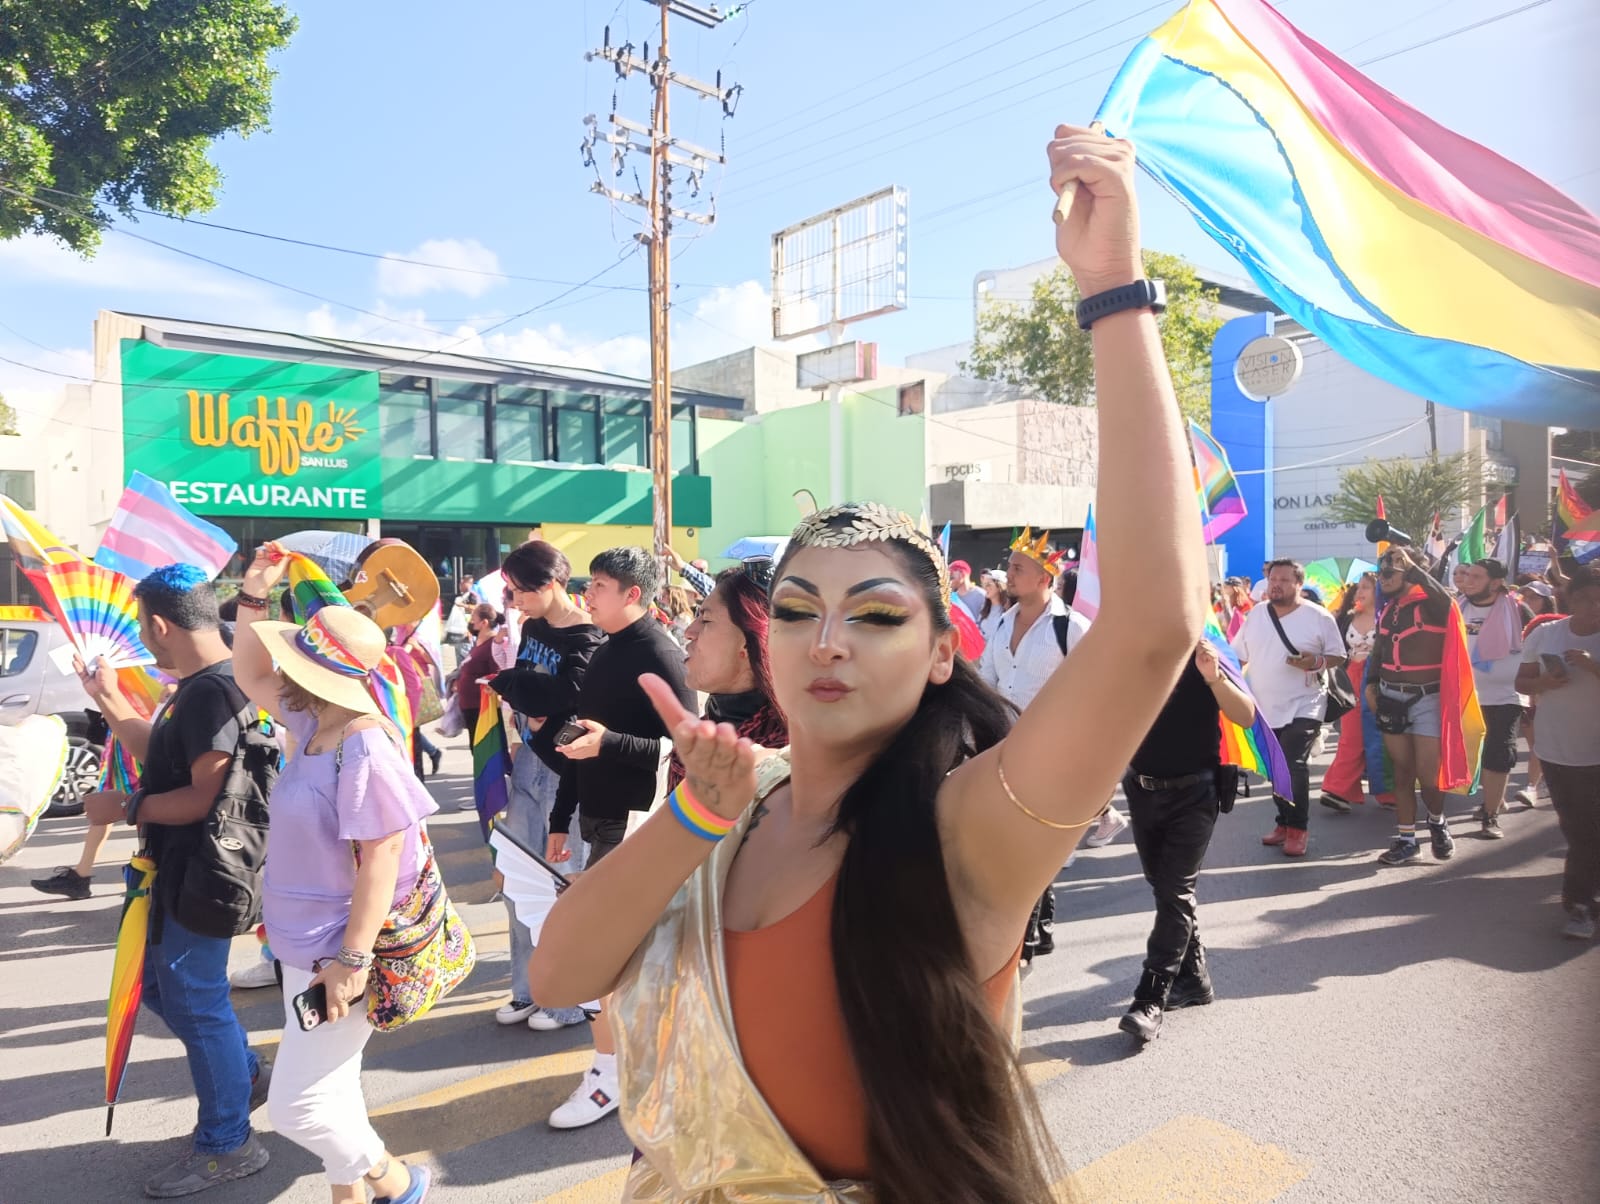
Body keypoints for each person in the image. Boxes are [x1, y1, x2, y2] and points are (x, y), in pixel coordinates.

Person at [530, 123, 1210, 1200]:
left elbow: (1149, 627)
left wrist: (1117, 290)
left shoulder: (968, 829)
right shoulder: (730, 801)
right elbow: (560, 972)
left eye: (878, 616)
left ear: (944, 654)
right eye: (797, 610)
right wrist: (691, 820)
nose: (829, 639)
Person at [230, 545, 435, 1204]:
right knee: (332, 1083)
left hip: (336, 950)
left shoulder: (364, 745)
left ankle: (396, 1179)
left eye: (296, 660)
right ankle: (347, 1192)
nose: (281, 671)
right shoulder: (316, 720)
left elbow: (381, 859)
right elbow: (249, 671)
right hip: (302, 942)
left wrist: (351, 959)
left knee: (297, 1109)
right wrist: (254, 596)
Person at [73, 564, 270, 1197]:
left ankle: (227, 1144)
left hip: (202, 873)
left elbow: (202, 798)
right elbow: (159, 750)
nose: (141, 634)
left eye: (142, 624)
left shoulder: (212, 690)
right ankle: (242, 1074)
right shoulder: (199, 683)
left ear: (160, 624)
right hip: (181, 871)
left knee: (193, 997)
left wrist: (123, 808)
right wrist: (106, 695)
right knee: (161, 987)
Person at [543, 545, 695, 1128]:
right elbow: (584, 734)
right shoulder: (606, 648)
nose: (588, 594)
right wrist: (561, 815)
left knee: (604, 957)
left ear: (633, 594)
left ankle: (611, 1075)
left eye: (600, 585)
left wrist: (607, 743)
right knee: (612, 959)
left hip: (637, 823)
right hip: (596, 819)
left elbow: (685, 746)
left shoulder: (660, 652)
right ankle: (627, 1063)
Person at [486, 540, 604, 1031]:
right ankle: (527, 990)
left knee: (563, 887)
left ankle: (570, 999)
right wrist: (522, 697)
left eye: (518, 591)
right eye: (510, 591)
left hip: (568, 777)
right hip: (529, 764)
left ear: (550, 584)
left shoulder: (590, 637)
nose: (512, 601)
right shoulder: (532, 626)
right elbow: (535, 690)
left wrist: (511, 685)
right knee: (518, 883)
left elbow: (567, 696)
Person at [1119, 636, 1257, 1042]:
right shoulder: (1134, 653)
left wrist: (1213, 678)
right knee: (1164, 889)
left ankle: (1151, 996)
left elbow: (1246, 715)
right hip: (1142, 789)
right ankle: (1194, 980)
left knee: (1175, 891)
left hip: (1194, 792)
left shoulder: (1205, 650)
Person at [979, 528, 1094, 963]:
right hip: (1002, 750)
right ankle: (1039, 927)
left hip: (1049, 756)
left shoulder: (1072, 628)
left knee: (1029, 844)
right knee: (1012, 843)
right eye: (1009, 566)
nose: (1008, 574)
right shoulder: (1002, 621)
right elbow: (988, 679)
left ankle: (1025, 933)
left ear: (1046, 577)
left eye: (1017, 568)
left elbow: (1089, 695)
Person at [1367, 545, 1476, 867]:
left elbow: (1447, 600)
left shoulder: (1434, 607)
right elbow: (1379, 651)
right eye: (1380, 572)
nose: (1382, 578)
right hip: (1391, 697)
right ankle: (1406, 839)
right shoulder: (1389, 608)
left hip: (1427, 699)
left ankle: (1437, 821)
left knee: (1429, 777)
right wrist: (1372, 686)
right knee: (1402, 772)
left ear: (1411, 572)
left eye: (1389, 571)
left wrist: (1413, 569)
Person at [1231, 559, 1346, 857]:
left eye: (1283, 579)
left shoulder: (1319, 617)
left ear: (1298, 583)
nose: (1276, 585)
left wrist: (1315, 662)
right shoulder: (1256, 614)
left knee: (1293, 763)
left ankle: (1298, 829)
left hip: (1305, 703)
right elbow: (1239, 655)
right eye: (1272, 579)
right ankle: (1282, 822)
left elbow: (1338, 656)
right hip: (1265, 706)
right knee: (1274, 768)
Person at [1515, 565, 1600, 939]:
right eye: (1584, 599)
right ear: (1569, 599)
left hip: (1595, 752)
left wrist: (1592, 666)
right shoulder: (1547, 634)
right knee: (1576, 828)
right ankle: (1584, 899)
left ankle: (1579, 904)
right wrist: (1544, 682)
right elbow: (1521, 681)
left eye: (1599, 599)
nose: (1593, 606)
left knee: (1586, 832)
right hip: (1555, 749)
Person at [668, 563, 789, 789]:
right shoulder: (697, 740)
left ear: (747, 641)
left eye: (706, 620)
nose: (689, 632)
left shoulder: (792, 755)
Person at [1459, 558, 1534, 838]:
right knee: (1469, 756)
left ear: (1496, 582)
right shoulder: (1457, 608)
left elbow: (1536, 645)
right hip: (1465, 696)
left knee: (1499, 754)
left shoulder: (1518, 610)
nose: (1468, 581)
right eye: (1467, 576)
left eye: (1476, 577)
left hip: (1506, 697)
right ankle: (1493, 797)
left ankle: (1490, 817)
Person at [1320, 573, 1394, 810]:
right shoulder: (1346, 618)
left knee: (1382, 736)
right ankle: (1339, 789)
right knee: (1351, 735)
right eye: (1359, 587)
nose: (1360, 592)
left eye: (1367, 587)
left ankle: (1389, 792)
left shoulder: (1390, 617)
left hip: (1379, 680)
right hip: (1350, 680)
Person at [1513, 581, 1564, 806]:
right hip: (1532, 696)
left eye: (1534, 597)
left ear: (1546, 600)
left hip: (1558, 700)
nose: (1528, 602)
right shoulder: (1521, 622)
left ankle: (1538, 784)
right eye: (1525, 597)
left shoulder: (1560, 628)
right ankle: (1535, 784)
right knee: (1537, 744)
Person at [443, 577, 475, 664]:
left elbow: (475, 609)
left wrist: (462, 605)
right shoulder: (459, 597)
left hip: (465, 631)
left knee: (464, 656)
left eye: (462, 583)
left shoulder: (472, 596)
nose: (460, 585)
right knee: (458, 656)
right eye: (460, 583)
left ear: (469, 584)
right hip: (455, 631)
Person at [977, 569, 1009, 645]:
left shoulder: (1009, 611)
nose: (985, 588)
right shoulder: (984, 608)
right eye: (984, 585)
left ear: (999, 586)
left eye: (988, 585)